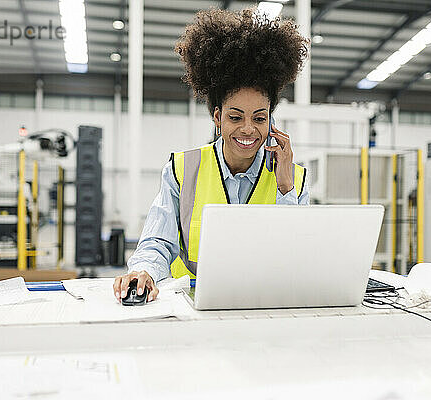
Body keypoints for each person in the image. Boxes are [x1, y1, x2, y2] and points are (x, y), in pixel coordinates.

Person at [113, 8, 310, 302]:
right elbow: (158, 239)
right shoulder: (183, 169)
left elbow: (297, 255)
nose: (248, 129)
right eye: (235, 117)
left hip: (265, 305)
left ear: (271, 120)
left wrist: (285, 188)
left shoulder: (293, 177)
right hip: (192, 308)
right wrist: (144, 271)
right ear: (217, 117)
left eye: (259, 118)